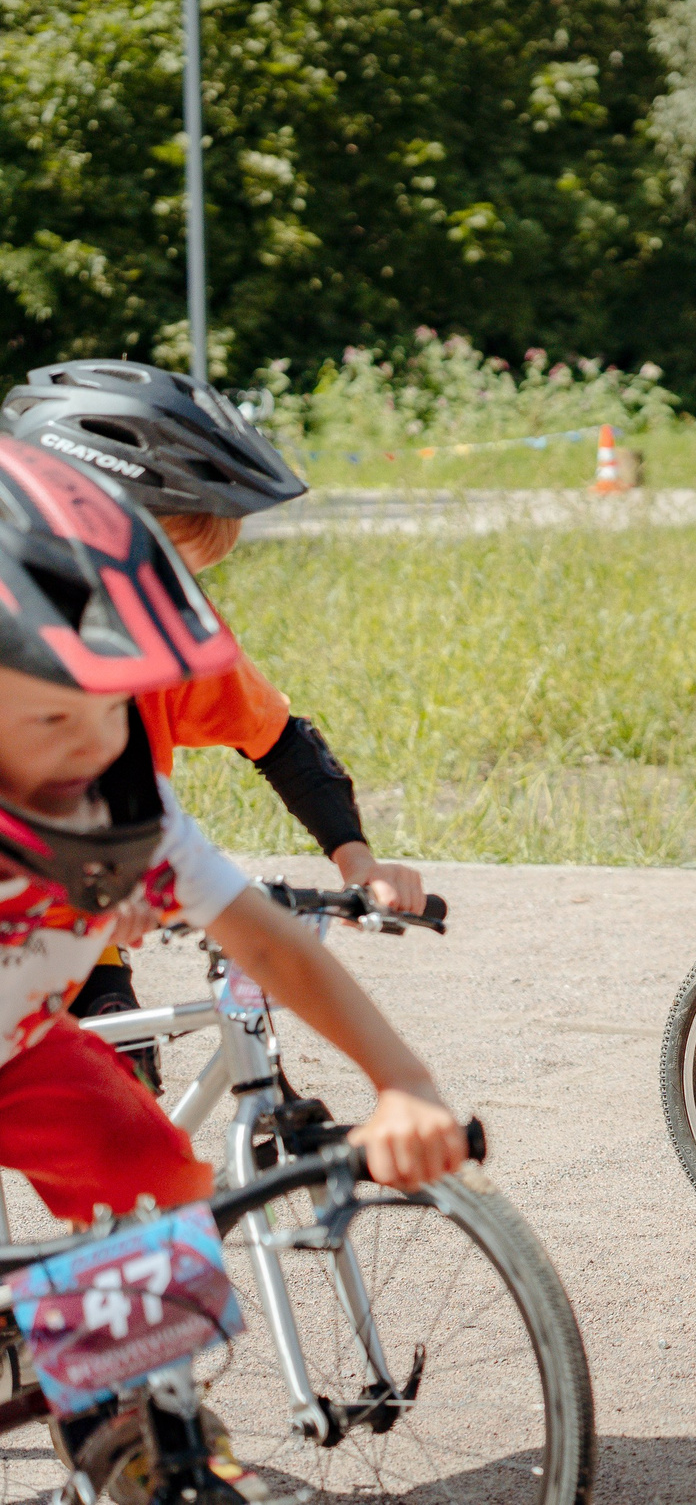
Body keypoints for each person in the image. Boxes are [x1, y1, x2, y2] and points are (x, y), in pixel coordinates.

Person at [0, 435, 465, 1238]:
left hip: (21, 1051)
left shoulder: (124, 801)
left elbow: (272, 944)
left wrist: (404, 1081)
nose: (94, 744)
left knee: (163, 1194)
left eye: (116, 707)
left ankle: (127, 1361)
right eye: (52, 715)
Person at [5, 361, 430, 1086]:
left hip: (71, 931)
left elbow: (283, 742)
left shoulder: (169, 655)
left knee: (121, 1097)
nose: (166, 609)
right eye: (154, 567)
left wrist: (356, 860)